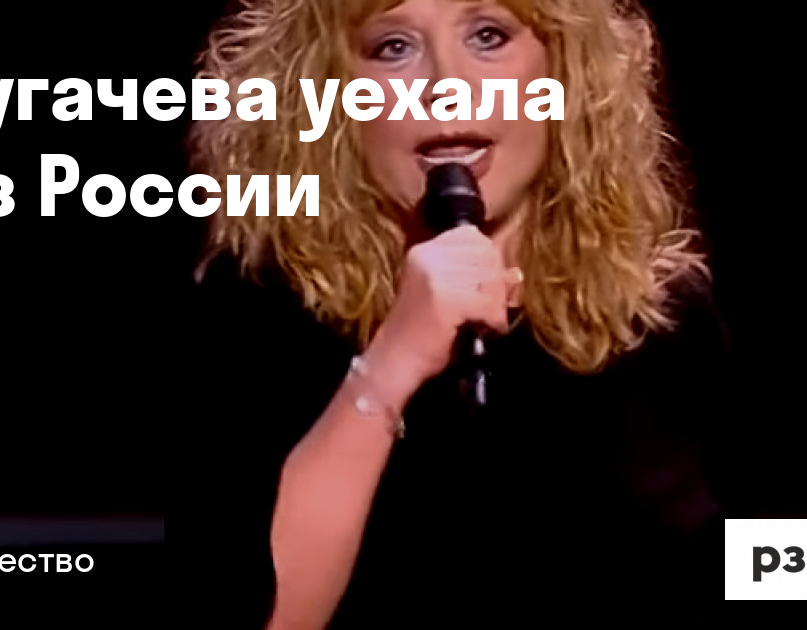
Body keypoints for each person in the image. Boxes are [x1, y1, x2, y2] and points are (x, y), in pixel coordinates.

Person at [172, 0, 732, 628]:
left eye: (488, 36)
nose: (448, 85)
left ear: (565, 72)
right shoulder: (259, 309)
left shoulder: (657, 315)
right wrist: (390, 366)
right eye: (393, 48)